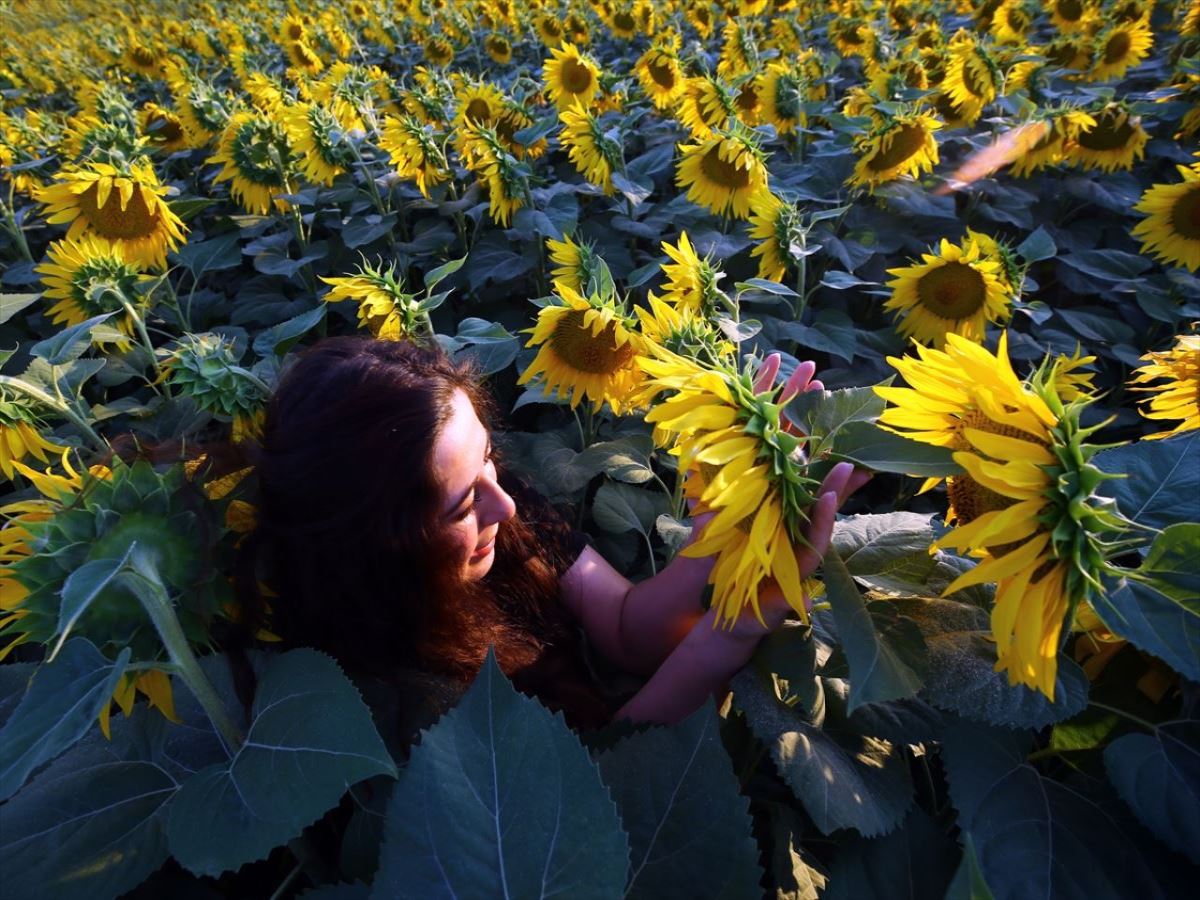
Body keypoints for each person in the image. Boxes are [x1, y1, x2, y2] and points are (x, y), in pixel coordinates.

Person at [239, 335, 866, 741]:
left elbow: (621, 628)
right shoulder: (383, 696)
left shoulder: (503, 511)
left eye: (487, 458)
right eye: (462, 505)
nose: (503, 502)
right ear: (382, 545)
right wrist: (732, 630)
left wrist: (720, 540)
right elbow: (587, 795)